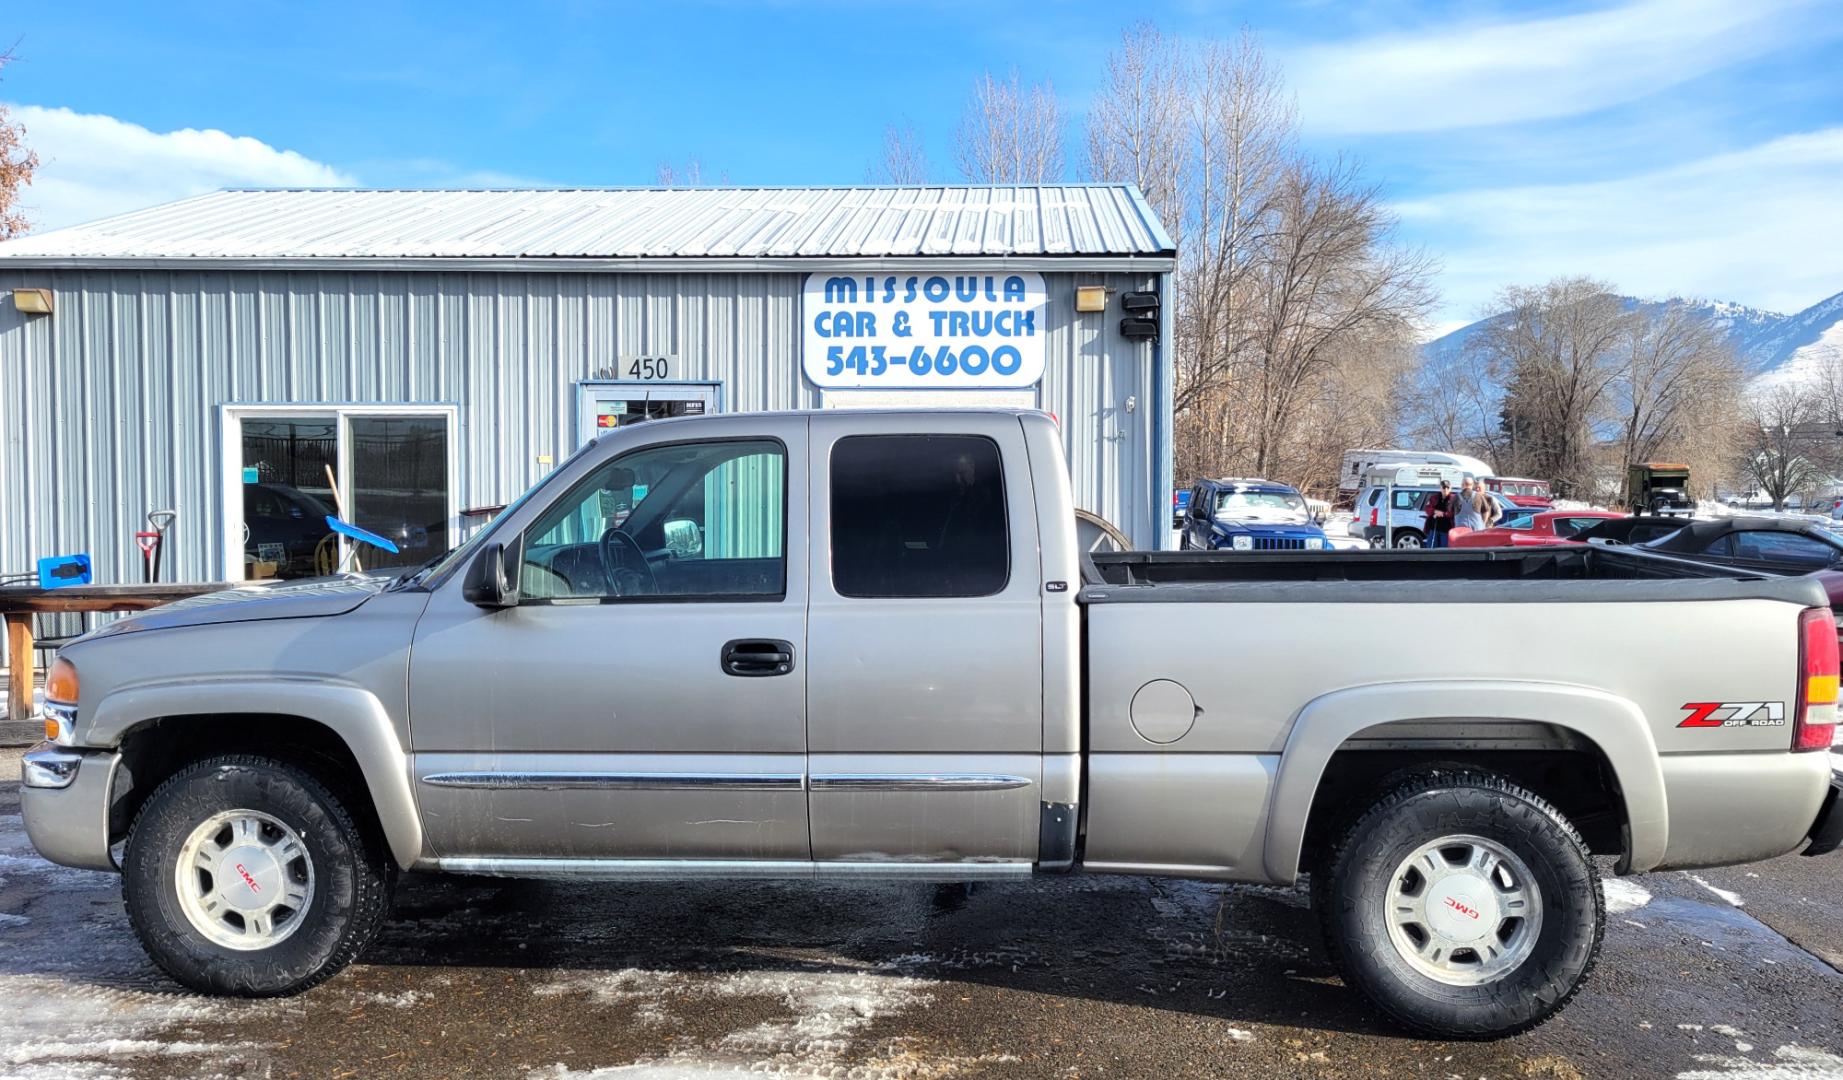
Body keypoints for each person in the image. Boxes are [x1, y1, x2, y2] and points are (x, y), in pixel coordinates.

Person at [1422, 479, 1460, 548]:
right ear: (1440, 488)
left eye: (1447, 487)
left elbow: (1455, 512)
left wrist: (1443, 514)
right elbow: (1427, 509)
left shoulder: (1454, 499)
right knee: (1431, 548)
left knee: (1444, 549)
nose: (1445, 489)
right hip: (1434, 528)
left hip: (1447, 529)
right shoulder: (1434, 498)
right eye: (1444, 487)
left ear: (1450, 488)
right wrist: (1434, 511)